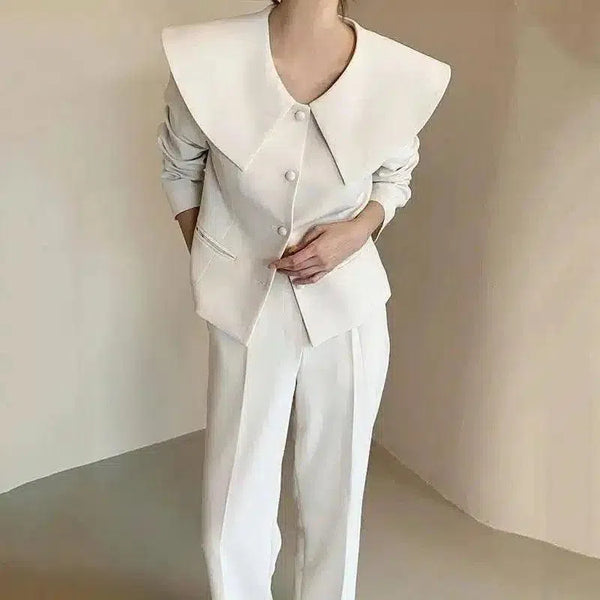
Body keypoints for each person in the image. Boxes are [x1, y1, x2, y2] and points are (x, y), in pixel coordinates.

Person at [156, 1, 451, 598]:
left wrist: (358, 230)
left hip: (350, 307)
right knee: (234, 493)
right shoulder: (204, 59)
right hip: (246, 308)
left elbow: (395, 177)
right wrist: (220, 260)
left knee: (337, 487)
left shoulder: (396, 72)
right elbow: (179, 168)